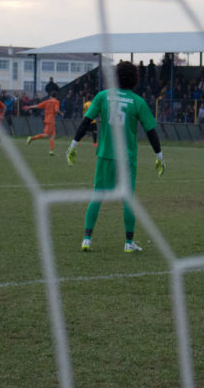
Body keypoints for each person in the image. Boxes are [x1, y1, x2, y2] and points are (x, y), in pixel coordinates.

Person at [65, 61, 164, 253]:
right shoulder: (138, 102)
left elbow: (86, 122)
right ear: (134, 79)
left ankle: (86, 239)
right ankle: (128, 243)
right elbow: (151, 131)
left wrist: (74, 144)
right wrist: (159, 155)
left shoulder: (103, 96)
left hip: (105, 155)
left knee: (98, 195)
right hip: (127, 158)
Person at [24, 91, 63, 155]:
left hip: (47, 119)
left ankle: (51, 151)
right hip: (51, 120)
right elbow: (57, 110)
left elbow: (37, 106)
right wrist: (61, 114)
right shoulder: (56, 101)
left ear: (50, 96)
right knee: (47, 135)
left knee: (52, 136)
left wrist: (28, 107)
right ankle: (31, 138)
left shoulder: (47, 102)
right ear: (56, 97)